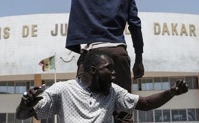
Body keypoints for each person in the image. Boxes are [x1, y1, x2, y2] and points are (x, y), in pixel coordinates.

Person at [13, 0, 144, 122]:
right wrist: (138, 60)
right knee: (123, 113)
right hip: (119, 54)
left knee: (84, 106)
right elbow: (135, 26)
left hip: (93, 57)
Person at [16, 50, 188, 122]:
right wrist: (25, 104)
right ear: (93, 70)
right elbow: (23, 115)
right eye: (109, 69)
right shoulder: (63, 90)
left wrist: (171, 92)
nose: (114, 74)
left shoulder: (113, 92)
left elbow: (146, 103)